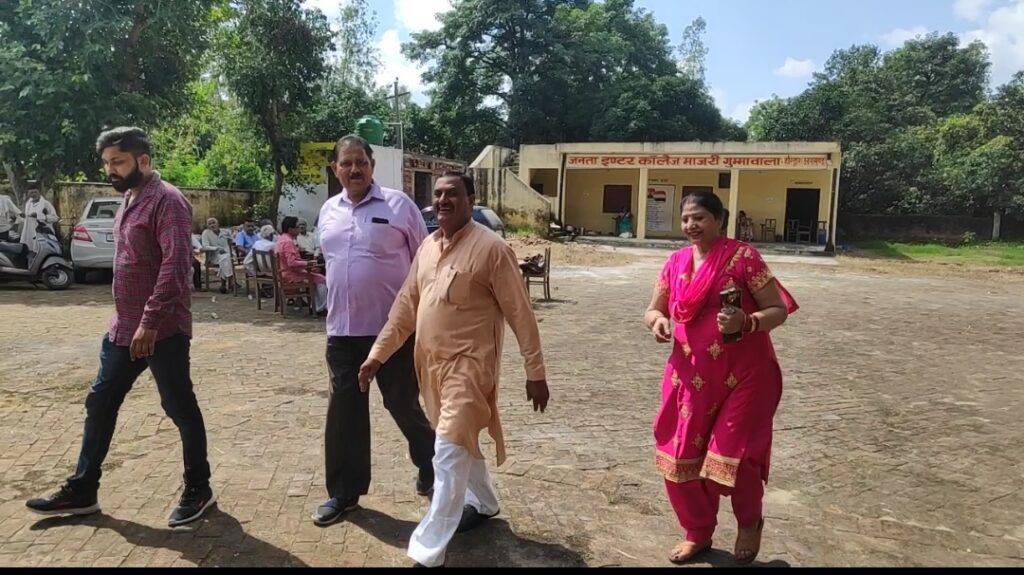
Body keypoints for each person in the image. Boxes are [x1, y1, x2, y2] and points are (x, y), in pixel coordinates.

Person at [359, 172, 551, 568]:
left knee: (446, 451)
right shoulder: (427, 247)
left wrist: (535, 372)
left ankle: (428, 552)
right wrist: (377, 355)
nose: (443, 201)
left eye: (453, 194)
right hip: (431, 368)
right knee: (458, 441)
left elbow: (521, 314)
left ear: (471, 200)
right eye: (438, 195)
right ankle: (485, 502)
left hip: (471, 369)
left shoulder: (492, 249)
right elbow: (405, 307)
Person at [25, 127, 214, 527]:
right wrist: (132, 322)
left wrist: (150, 320)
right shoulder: (129, 197)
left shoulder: (169, 202)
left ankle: (199, 488)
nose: (110, 170)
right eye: (107, 163)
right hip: (124, 328)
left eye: (118, 162)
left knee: (179, 407)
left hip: (162, 330)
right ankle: (83, 490)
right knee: (100, 402)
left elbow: (176, 267)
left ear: (143, 160)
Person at [643, 190, 798, 565]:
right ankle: (697, 532)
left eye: (699, 217)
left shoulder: (744, 258)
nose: (691, 225)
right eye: (685, 219)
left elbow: (777, 309)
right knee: (679, 455)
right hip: (689, 377)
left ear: (719, 220)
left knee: (735, 455)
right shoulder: (675, 262)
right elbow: (653, 310)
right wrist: (658, 321)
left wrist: (748, 321)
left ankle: (749, 522)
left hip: (744, 376)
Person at [310, 135, 436, 526]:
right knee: (344, 412)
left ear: (372, 166)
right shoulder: (328, 211)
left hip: (393, 332)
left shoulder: (400, 206)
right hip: (342, 332)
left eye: (361, 162)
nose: (354, 169)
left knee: (401, 404)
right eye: (346, 163)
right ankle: (344, 493)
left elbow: (426, 262)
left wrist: (424, 317)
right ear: (335, 169)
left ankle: (431, 463)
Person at [275, 216, 328, 314]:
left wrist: (306, 264)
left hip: (286, 272)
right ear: (290, 229)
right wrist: (307, 263)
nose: (299, 229)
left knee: (317, 276)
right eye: (297, 227)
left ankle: (315, 305)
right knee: (322, 280)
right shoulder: (288, 242)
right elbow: (291, 262)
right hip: (290, 274)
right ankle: (319, 308)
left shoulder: (282, 239)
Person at [201, 217, 234, 294]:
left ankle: (224, 284)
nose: (212, 225)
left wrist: (230, 240)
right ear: (208, 226)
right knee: (225, 259)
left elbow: (232, 242)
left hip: (228, 254)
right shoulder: (206, 233)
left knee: (226, 258)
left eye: (214, 223)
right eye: (210, 224)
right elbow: (205, 246)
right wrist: (217, 249)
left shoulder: (225, 232)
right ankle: (230, 281)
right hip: (214, 255)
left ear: (218, 224)